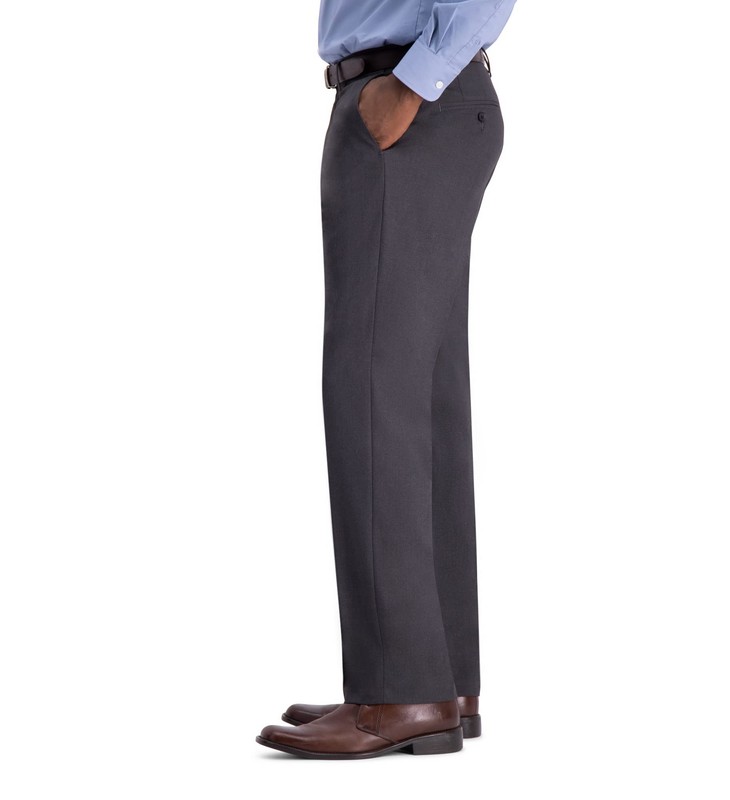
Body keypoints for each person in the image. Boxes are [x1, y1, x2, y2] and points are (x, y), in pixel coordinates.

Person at [256, 0, 517, 759]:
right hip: (428, 97)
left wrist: (407, 85)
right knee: (422, 402)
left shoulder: (404, 92)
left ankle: (398, 694)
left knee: (371, 394)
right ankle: (442, 682)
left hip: (407, 96)